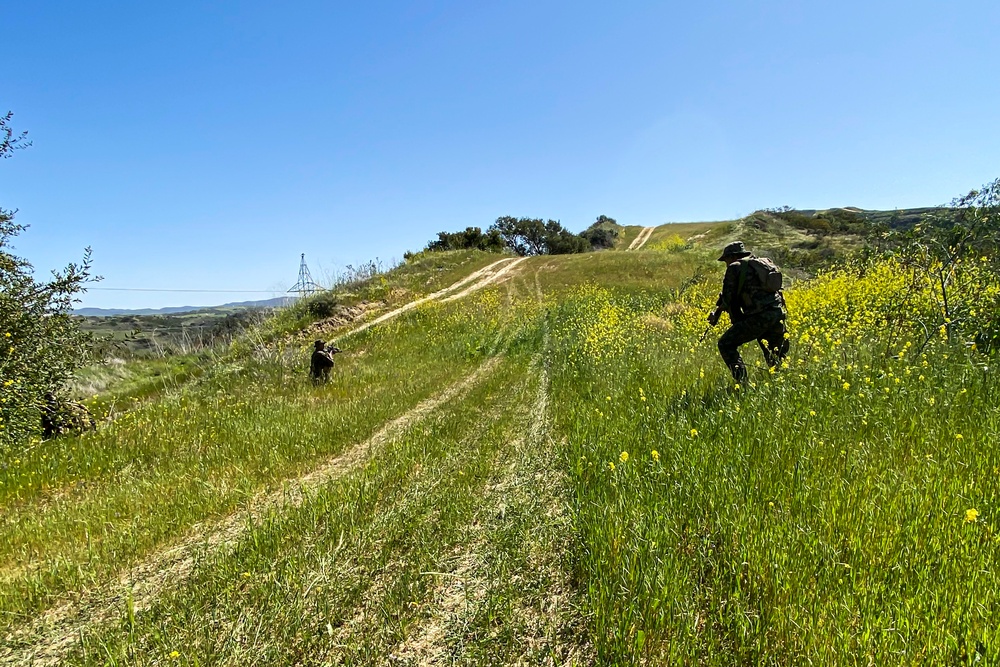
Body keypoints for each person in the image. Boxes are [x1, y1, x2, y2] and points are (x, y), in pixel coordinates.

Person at [707, 241, 789, 384]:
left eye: (725, 260)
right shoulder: (759, 264)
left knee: (725, 344)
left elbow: (728, 299)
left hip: (758, 317)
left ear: (732, 257)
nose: (725, 264)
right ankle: (782, 384)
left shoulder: (734, 267)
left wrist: (719, 315)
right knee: (775, 355)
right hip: (777, 314)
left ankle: (742, 383)